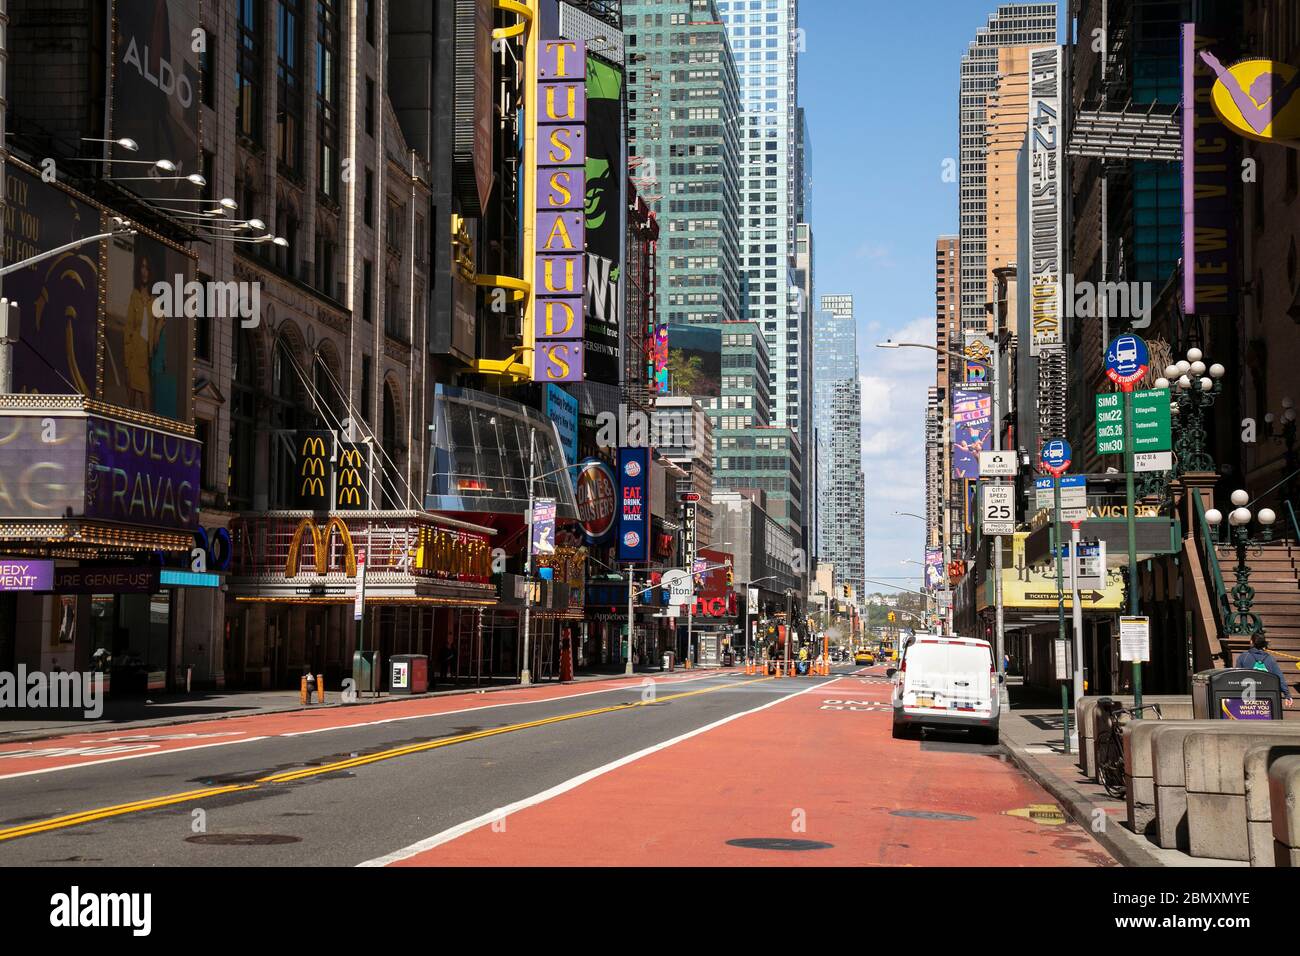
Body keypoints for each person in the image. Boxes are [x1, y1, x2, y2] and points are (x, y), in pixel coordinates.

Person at [1235, 635, 1294, 707]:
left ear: (1251, 642)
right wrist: (1287, 694)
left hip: (1247, 697)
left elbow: (1236, 677)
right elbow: (1279, 677)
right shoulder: (1270, 659)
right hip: (1266, 698)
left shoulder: (1243, 657)